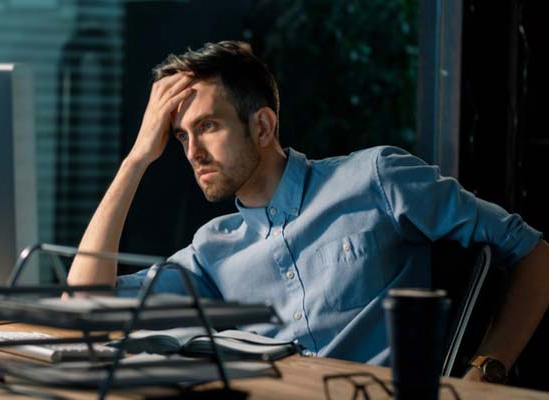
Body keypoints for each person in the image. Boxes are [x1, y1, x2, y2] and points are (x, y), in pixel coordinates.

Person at [65, 40, 549, 382]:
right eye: (180, 136)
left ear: (262, 126)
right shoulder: (212, 251)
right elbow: (84, 310)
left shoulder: (376, 178)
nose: (192, 151)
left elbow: (533, 252)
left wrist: (487, 371)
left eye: (208, 126)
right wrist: (135, 160)